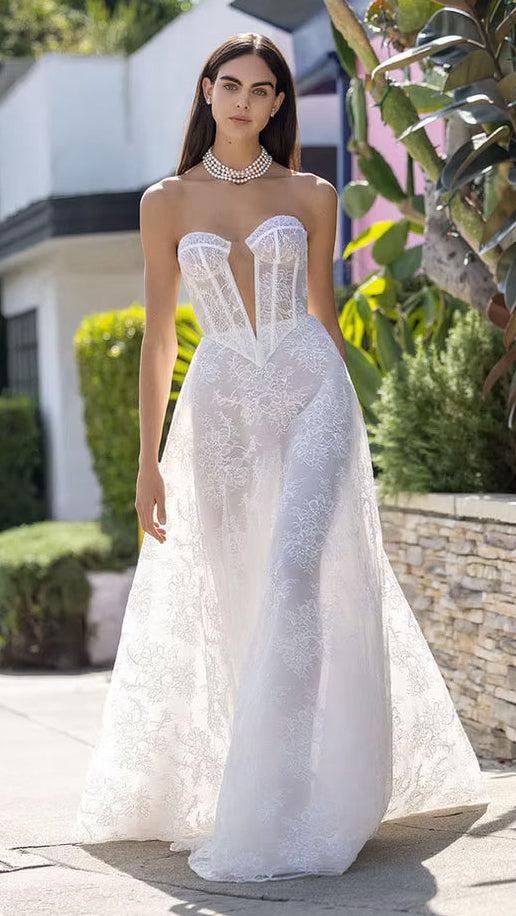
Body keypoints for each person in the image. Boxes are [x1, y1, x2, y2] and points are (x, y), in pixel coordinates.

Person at [73, 31, 489, 883]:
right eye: (231, 86)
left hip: (311, 392)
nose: (245, 103)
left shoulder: (310, 191)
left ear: (277, 104)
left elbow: (323, 317)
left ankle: (302, 807)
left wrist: (356, 422)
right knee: (241, 592)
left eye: (263, 91)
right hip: (220, 409)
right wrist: (147, 461)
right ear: (206, 91)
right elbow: (160, 339)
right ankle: (267, 773)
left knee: (299, 573)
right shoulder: (165, 201)